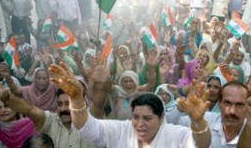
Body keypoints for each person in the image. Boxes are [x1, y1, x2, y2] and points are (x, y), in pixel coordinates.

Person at [49, 62, 211, 148]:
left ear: (161, 118)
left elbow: (200, 143)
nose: (139, 124)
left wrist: (198, 122)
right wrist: (76, 98)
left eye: (147, 118)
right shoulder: (121, 130)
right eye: (136, 117)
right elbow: (86, 127)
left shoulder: (173, 134)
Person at [0, 74, 99, 148]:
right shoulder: (50, 121)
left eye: (68, 104)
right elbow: (29, 109)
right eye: (59, 104)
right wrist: (6, 97)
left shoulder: (92, 122)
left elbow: (100, 101)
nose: (63, 109)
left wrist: (102, 84)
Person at [179, 81, 251, 147]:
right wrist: (180, 108)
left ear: (248, 106)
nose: (232, 111)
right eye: (227, 103)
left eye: (239, 105)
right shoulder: (203, 118)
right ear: (219, 103)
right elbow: (170, 123)